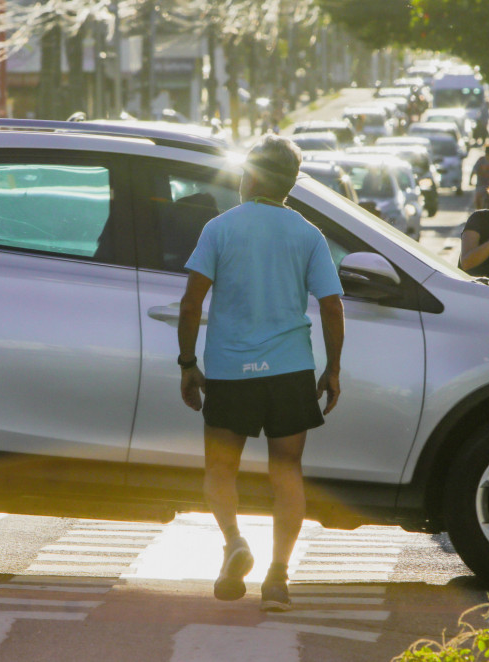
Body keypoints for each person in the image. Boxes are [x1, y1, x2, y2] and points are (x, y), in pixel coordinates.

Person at [177, 134, 345, 612]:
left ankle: (233, 542)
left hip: (232, 370)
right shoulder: (307, 234)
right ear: (290, 183)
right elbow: (332, 307)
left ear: (249, 175)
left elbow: (192, 305)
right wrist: (333, 368)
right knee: (287, 470)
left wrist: (188, 364)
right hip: (290, 369)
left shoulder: (220, 229)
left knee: (220, 468)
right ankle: (277, 578)